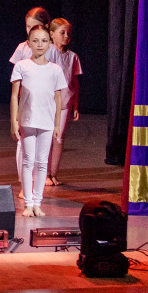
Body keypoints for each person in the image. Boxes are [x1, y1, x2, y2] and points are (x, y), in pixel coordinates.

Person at [11, 24, 68, 217]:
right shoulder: (22, 66)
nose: (40, 45)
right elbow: (14, 96)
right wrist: (14, 120)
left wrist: (57, 124)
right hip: (27, 120)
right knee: (28, 161)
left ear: (50, 44)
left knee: (42, 162)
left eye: (44, 41)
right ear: (29, 43)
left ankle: (37, 202)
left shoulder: (55, 69)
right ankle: (28, 203)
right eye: (35, 41)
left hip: (46, 121)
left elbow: (58, 98)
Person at [8, 7, 52, 190]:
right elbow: (16, 78)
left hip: (45, 104)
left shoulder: (51, 49)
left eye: (36, 26)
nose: (31, 30)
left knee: (42, 146)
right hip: (26, 103)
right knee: (24, 145)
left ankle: (38, 184)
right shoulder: (22, 48)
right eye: (28, 27)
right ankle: (25, 184)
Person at [46, 18, 83, 185]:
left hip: (65, 102)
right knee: (46, 137)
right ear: (52, 34)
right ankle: (44, 174)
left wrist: (76, 104)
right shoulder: (48, 52)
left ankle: (53, 174)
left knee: (59, 138)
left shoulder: (73, 57)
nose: (66, 36)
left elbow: (74, 82)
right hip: (48, 102)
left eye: (68, 33)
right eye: (62, 33)